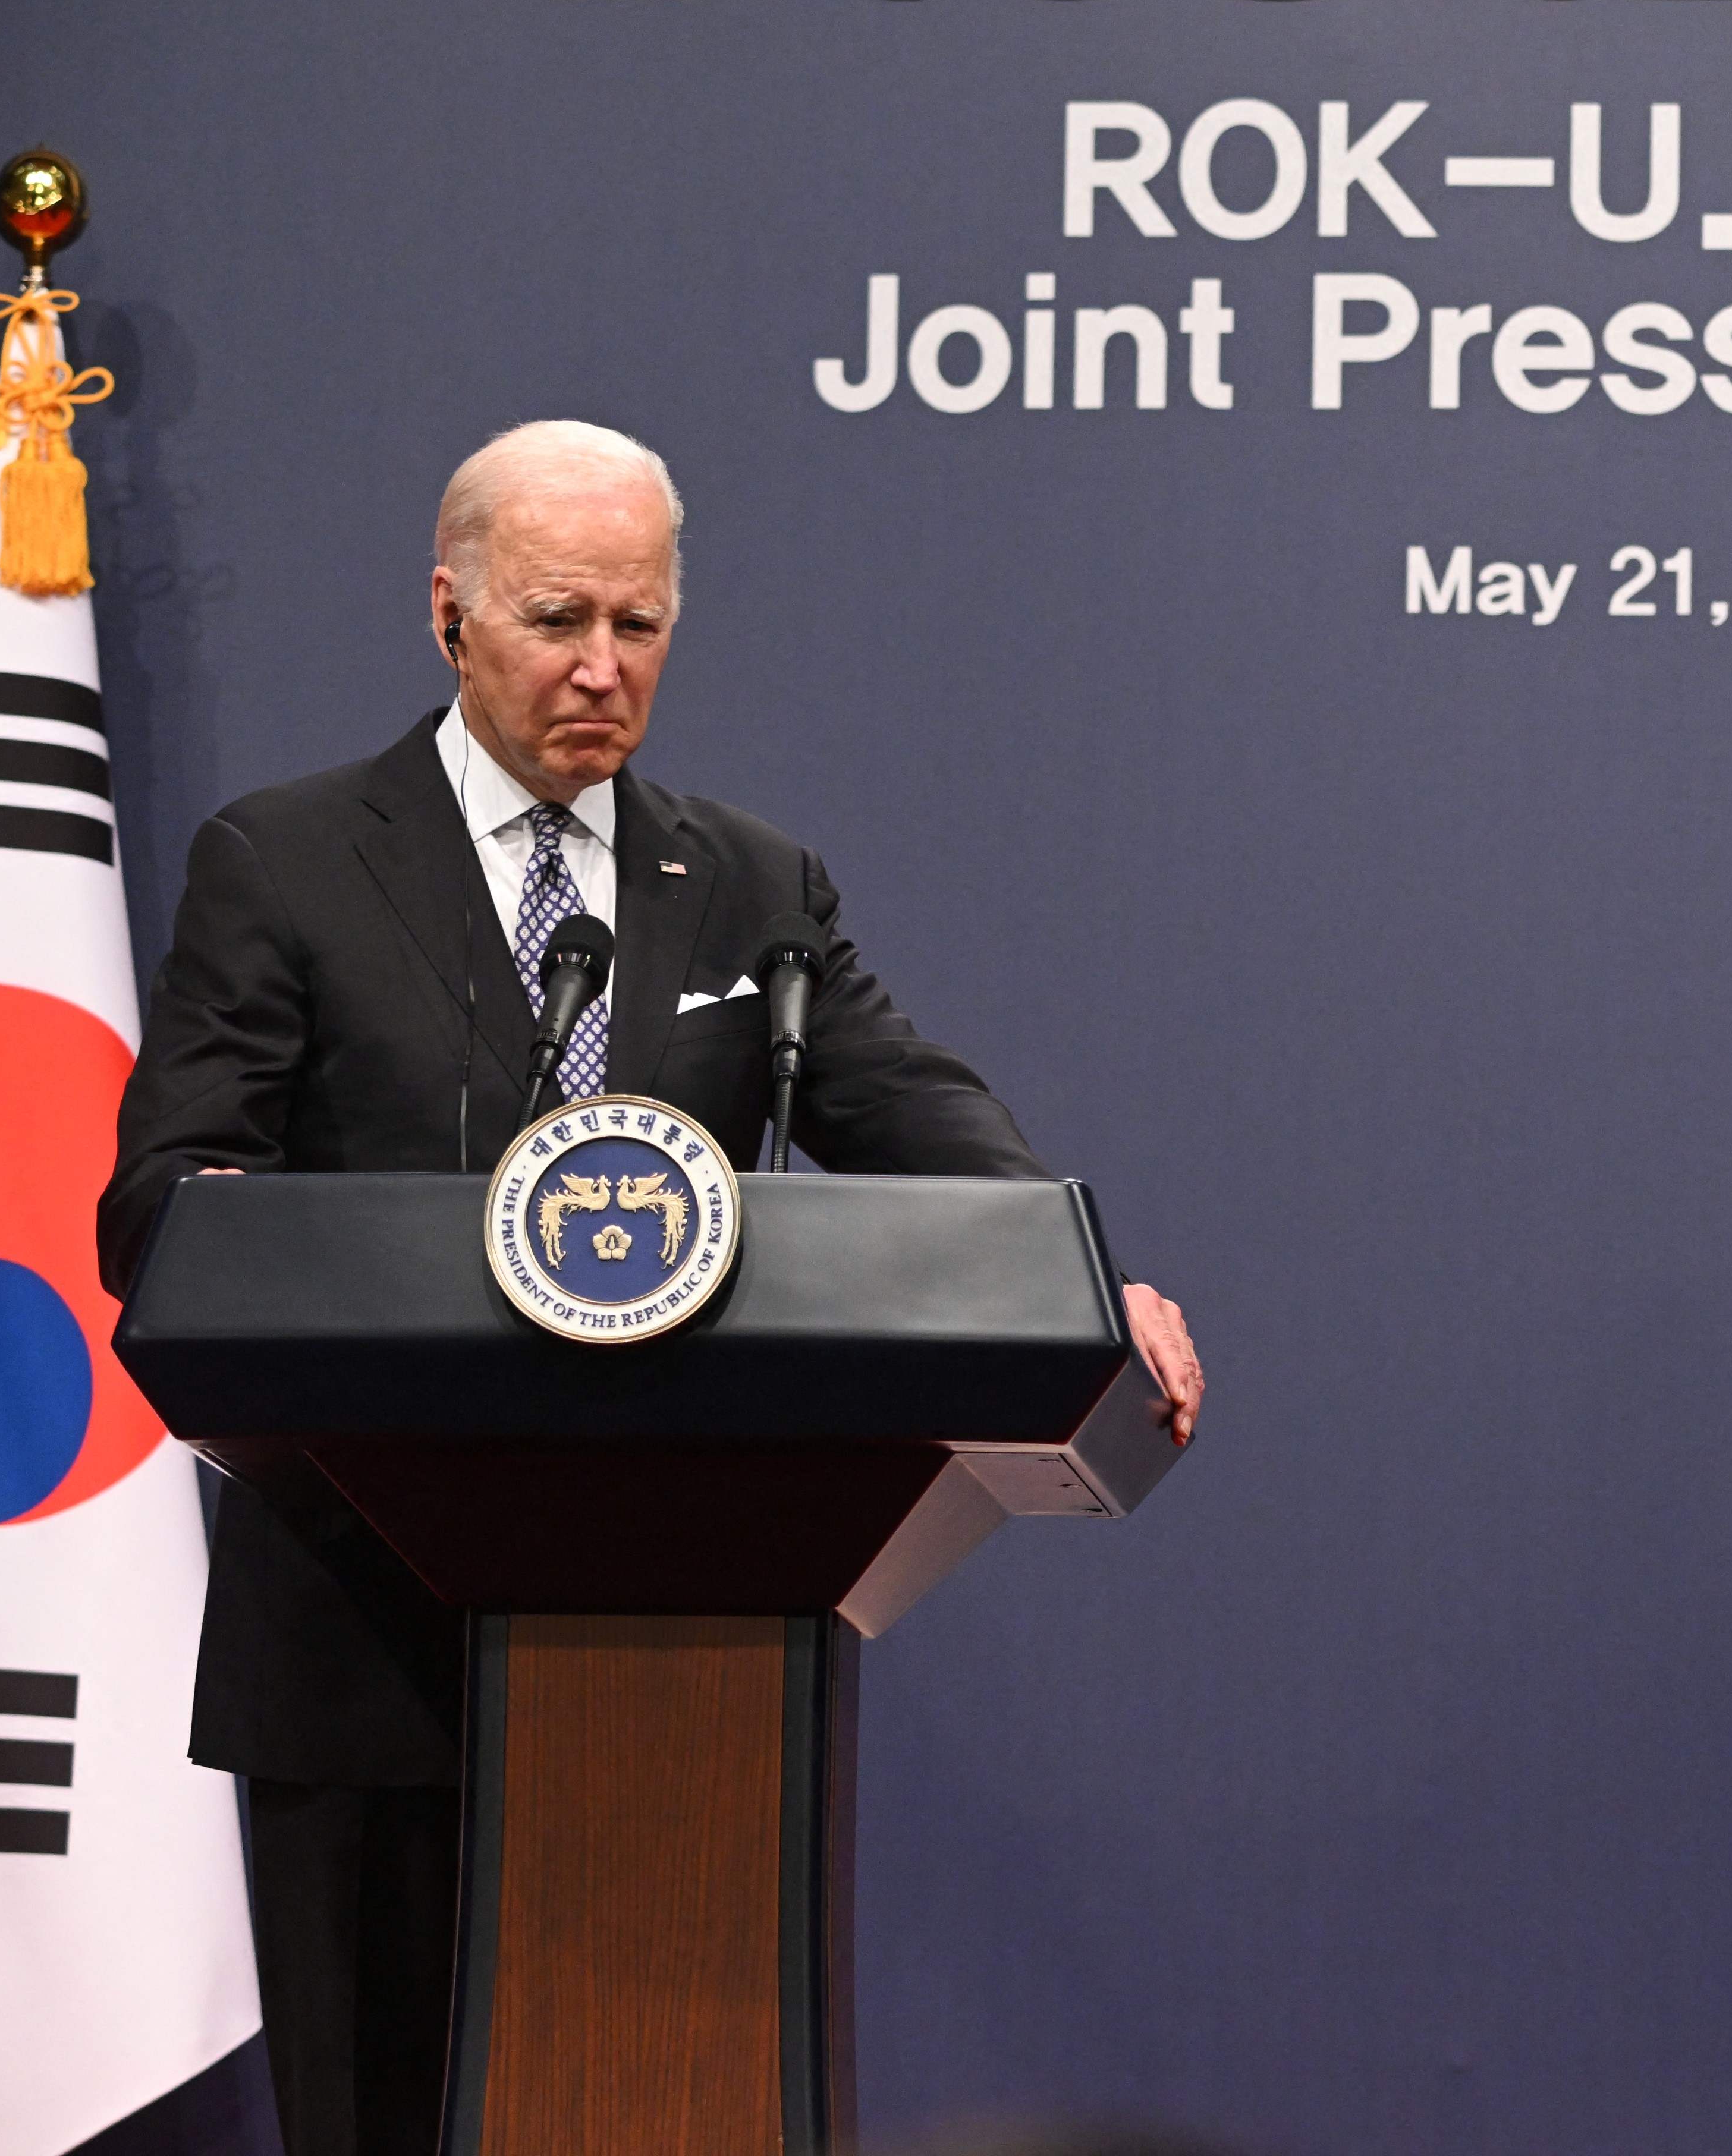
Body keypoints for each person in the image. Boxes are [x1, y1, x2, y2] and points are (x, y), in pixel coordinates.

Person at [95, 419, 1206, 2156]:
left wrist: (1080, 1279)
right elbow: (163, 1207)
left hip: (687, 1649)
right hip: (362, 1641)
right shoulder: (289, 862)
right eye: (558, 620)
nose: (603, 670)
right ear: (448, 614)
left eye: (641, 623)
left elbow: (898, 1103)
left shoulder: (750, 885)